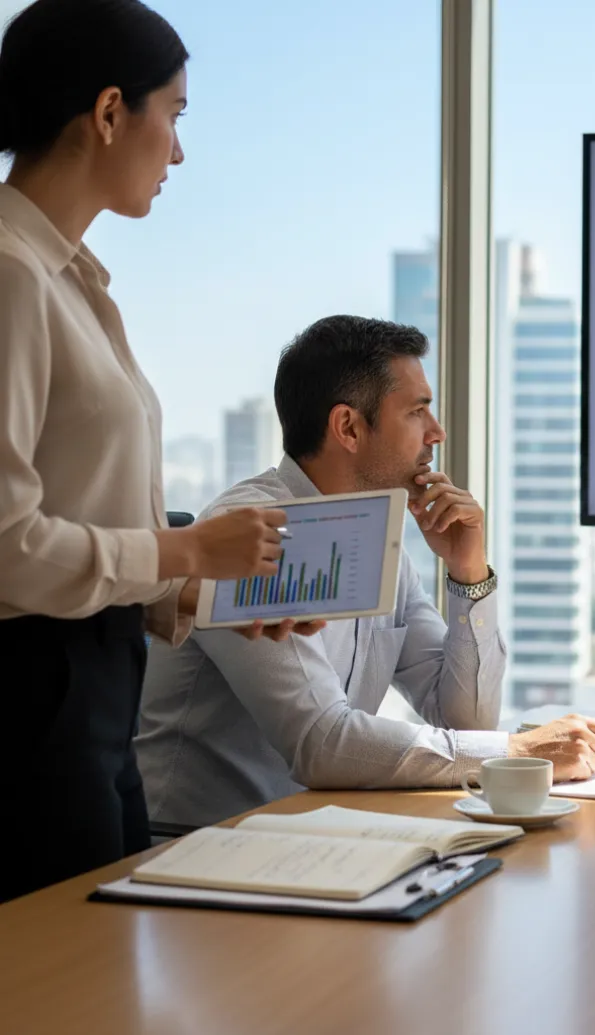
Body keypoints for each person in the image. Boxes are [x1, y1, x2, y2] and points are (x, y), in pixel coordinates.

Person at [0, 0, 322, 902]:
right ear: (110, 112)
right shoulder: (11, 275)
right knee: (60, 964)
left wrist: (202, 590)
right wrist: (183, 550)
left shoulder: (69, 278)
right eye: (173, 114)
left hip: (95, 690)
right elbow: (7, 545)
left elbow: (76, 513)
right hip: (32, 699)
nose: (177, 151)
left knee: (99, 953)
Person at [137, 315, 595, 827]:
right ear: (348, 427)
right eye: (417, 411)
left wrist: (468, 572)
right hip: (202, 843)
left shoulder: (378, 540)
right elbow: (320, 743)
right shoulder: (254, 535)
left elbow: (465, 720)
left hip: (312, 832)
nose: (437, 432)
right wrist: (515, 751)